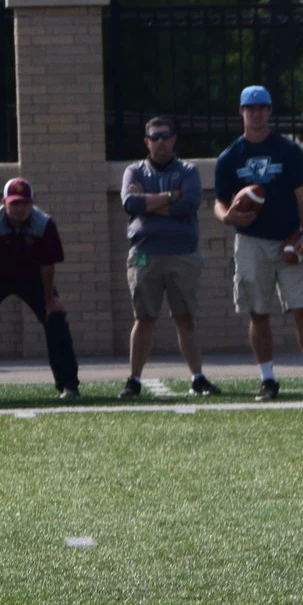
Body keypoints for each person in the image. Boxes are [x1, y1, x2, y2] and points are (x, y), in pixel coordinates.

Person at [215, 84, 303, 400]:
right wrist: (228, 218)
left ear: (269, 111)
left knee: (302, 308)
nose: (256, 113)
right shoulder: (230, 156)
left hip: (288, 239)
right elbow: (220, 201)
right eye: (250, 108)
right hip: (251, 241)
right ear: (241, 111)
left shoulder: (288, 150)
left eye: (262, 108)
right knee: (258, 312)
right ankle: (267, 379)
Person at [0, 176, 75, 401]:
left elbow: (47, 265)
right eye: (14, 204)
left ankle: (69, 385)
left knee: (56, 318)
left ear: (33, 203)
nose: (20, 209)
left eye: (24, 203)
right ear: (4, 203)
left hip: (31, 276)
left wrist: (50, 300)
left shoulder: (45, 224)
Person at [119, 114, 210, 398]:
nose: (160, 142)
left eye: (165, 136)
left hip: (182, 254)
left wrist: (149, 203)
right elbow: (130, 203)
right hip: (145, 254)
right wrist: (171, 195)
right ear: (147, 142)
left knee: (185, 317)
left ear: (174, 139)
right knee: (144, 318)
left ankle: (197, 377)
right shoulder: (134, 171)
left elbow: (190, 204)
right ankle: (134, 380)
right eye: (154, 137)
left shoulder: (188, 170)